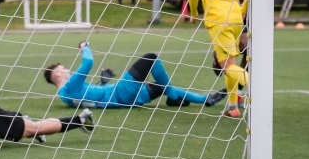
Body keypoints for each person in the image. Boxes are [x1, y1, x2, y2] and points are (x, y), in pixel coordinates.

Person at [43, 42, 224, 109]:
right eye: (64, 68)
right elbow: (88, 62)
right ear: (57, 74)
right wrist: (84, 46)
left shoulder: (65, 96)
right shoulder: (69, 86)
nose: (68, 70)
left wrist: (102, 82)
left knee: (163, 86)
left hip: (123, 98)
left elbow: (89, 96)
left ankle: (204, 100)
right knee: (151, 58)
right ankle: (174, 98)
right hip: (121, 93)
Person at [187, 0, 250, 118]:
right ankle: (233, 107)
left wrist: (194, 14)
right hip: (236, 18)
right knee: (230, 61)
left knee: (227, 66)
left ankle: (255, 83)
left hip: (217, 20)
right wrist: (242, 10)